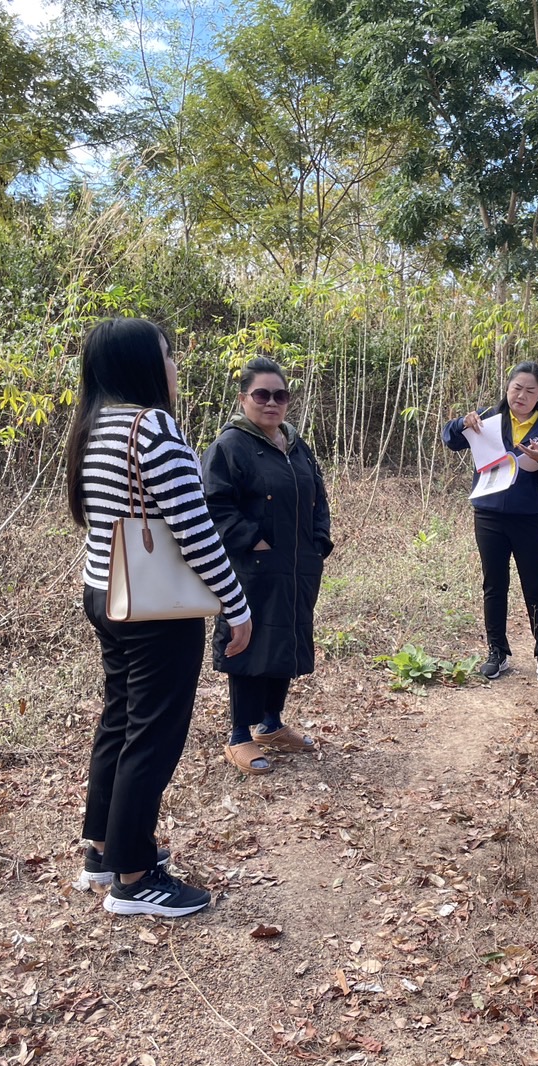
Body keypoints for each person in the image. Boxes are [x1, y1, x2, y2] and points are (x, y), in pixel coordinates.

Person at [67, 317, 252, 917]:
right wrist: (236, 606)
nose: (175, 369)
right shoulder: (154, 429)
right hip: (154, 611)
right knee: (153, 733)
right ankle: (135, 877)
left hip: (106, 595)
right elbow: (196, 533)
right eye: (168, 357)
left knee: (120, 721)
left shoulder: (92, 427)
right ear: (144, 367)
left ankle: (102, 852)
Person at [202, 357, 333, 775]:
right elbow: (214, 506)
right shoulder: (229, 446)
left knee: (286, 639)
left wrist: (318, 543)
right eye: (262, 394)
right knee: (249, 643)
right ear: (244, 399)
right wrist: (254, 542)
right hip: (251, 569)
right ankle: (239, 735)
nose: (271, 402)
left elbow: (319, 497)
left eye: (280, 395)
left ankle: (271, 725)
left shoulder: (296, 445)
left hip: (298, 567)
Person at [442, 361, 538, 683]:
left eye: (530, 390)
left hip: (529, 518)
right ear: (507, 388)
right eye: (517, 388)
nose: (522, 395)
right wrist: (461, 422)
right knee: (494, 584)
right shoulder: (486, 419)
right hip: (488, 514)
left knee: (535, 585)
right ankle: (497, 653)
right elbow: (451, 439)